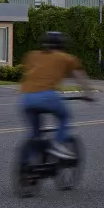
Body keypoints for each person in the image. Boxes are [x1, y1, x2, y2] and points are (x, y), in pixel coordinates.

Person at [19, 30, 92, 159]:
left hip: (26, 97)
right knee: (65, 117)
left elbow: (30, 72)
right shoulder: (65, 58)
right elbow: (79, 77)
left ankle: (29, 166)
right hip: (48, 96)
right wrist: (88, 93)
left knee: (35, 133)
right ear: (62, 45)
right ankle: (57, 145)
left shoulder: (32, 55)